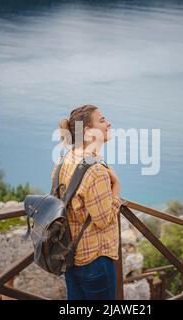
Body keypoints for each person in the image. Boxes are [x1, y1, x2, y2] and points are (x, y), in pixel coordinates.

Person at [52, 104, 121, 300]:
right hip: (95, 260)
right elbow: (103, 220)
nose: (108, 123)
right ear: (89, 132)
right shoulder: (96, 171)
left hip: (70, 255)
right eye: (102, 120)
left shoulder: (64, 160)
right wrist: (116, 186)